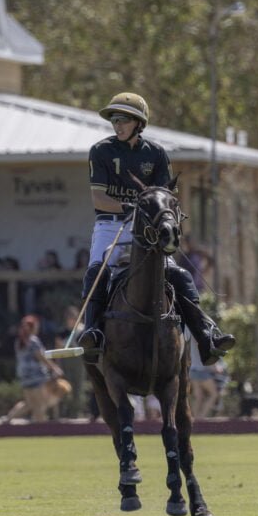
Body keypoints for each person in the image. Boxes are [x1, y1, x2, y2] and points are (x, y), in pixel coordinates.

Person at [77, 91, 235, 365]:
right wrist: (131, 208)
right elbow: (99, 198)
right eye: (114, 119)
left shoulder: (157, 154)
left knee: (178, 273)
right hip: (110, 225)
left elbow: (165, 195)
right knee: (96, 271)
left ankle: (206, 336)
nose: (117, 125)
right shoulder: (101, 150)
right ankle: (92, 333)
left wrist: (156, 217)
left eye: (123, 120)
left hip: (145, 228)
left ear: (139, 123)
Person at [8, 315, 62, 423]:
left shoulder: (19, 341)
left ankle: (9, 417)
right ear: (33, 327)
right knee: (40, 403)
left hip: (24, 375)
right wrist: (55, 368)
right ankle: (40, 427)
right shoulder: (33, 341)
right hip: (36, 375)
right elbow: (41, 357)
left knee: (29, 403)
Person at [2, 377, 72, 423]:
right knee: (31, 404)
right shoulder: (50, 393)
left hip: (32, 380)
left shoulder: (56, 397)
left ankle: (9, 418)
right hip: (36, 382)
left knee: (29, 404)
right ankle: (9, 418)